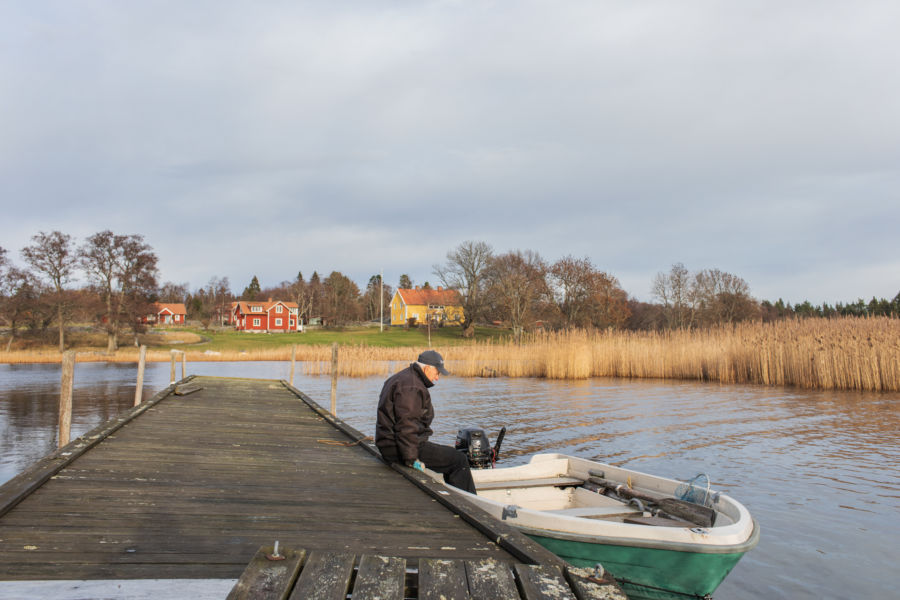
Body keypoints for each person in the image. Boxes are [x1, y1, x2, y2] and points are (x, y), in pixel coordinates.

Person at [375, 350, 476, 494]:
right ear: (427, 368)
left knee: (448, 455)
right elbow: (407, 425)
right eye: (437, 373)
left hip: (391, 444)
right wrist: (411, 458)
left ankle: (454, 493)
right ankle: (468, 503)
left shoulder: (403, 377)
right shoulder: (412, 387)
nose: (437, 378)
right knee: (459, 460)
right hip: (398, 448)